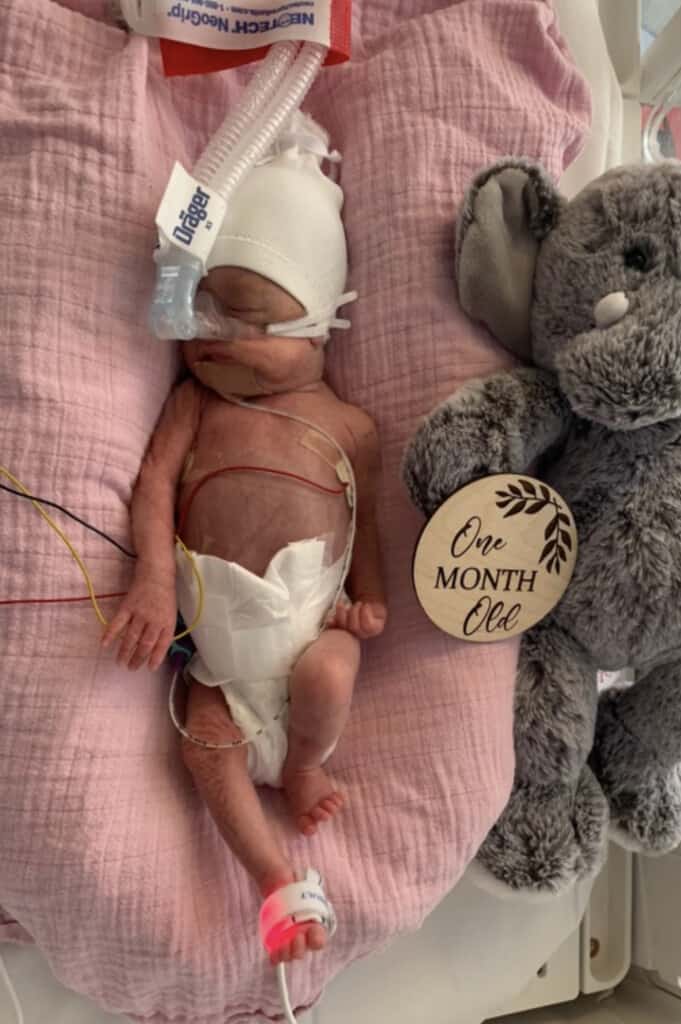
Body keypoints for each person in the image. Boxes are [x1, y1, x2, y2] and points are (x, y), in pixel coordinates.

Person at [102, 113, 386, 964]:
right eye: (207, 315)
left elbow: (365, 510)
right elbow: (155, 484)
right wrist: (154, 578)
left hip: (306, 636)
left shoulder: (348, 424)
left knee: (332, 671)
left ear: (318, 326)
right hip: (218, 658)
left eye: (251, 320)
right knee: (204, 738)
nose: (214, 339)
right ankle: (269, 875)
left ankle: (304, 766)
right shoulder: (197, 404)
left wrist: (367, 598)